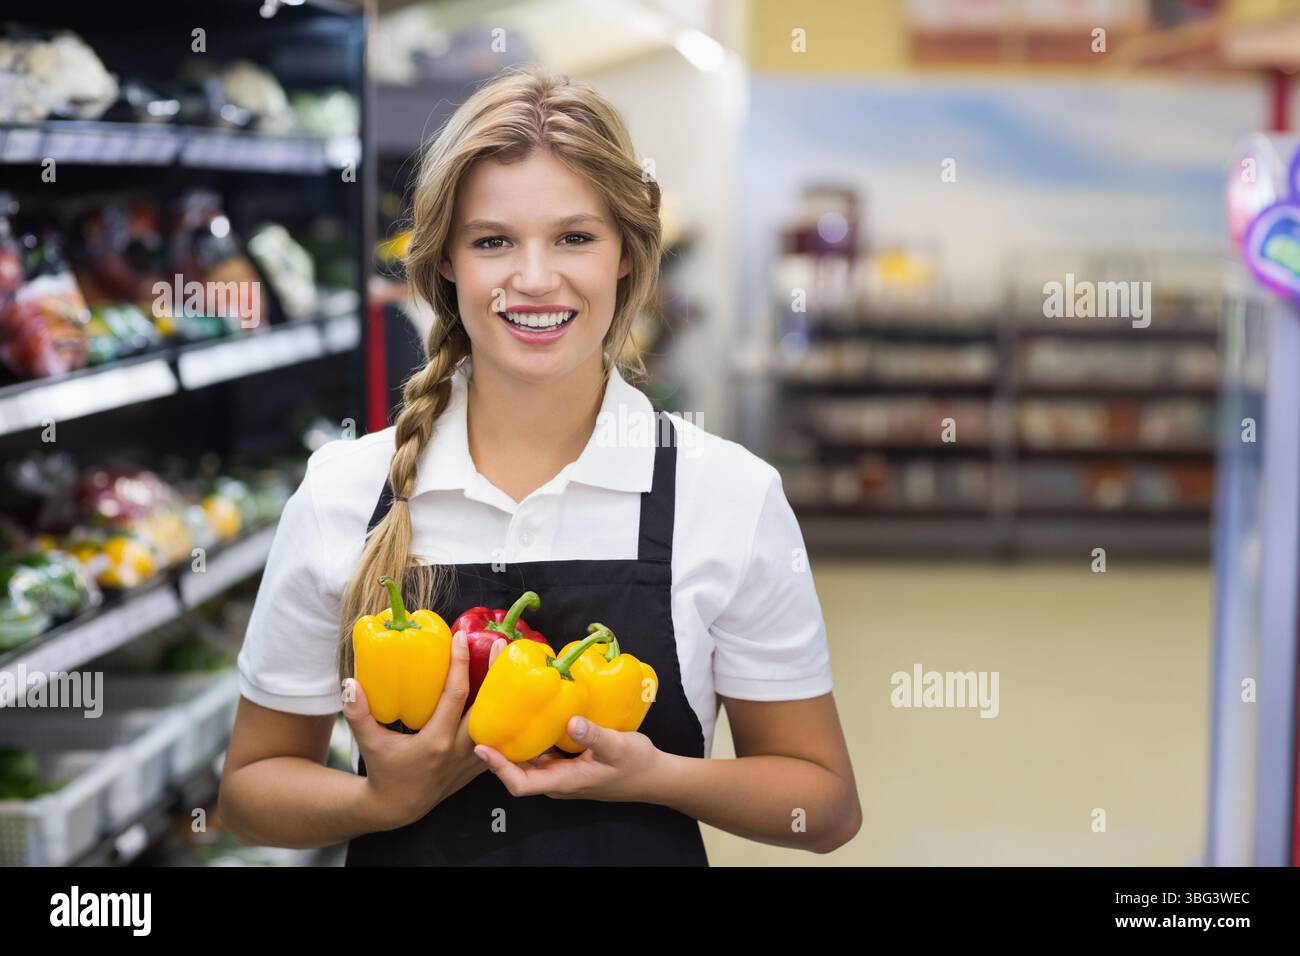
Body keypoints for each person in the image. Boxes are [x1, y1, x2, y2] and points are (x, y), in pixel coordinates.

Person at [218, 66, 860, 865]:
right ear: (446, 261)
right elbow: (248, 793)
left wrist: (656, 777)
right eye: (493, 241)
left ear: (627, 253)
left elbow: (825, 806)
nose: (533, 278)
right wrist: (377, 800)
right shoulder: (345, 491)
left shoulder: (726, 494)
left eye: (574, 237)